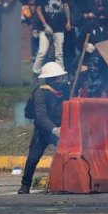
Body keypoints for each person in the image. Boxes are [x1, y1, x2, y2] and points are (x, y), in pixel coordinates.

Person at [18, 62, 69, 194]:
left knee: (66, 155)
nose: (60, 80)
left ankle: (65, 182)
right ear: (50, 79)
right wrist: (54, 129)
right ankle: (25, 185)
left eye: (60, 77)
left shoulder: (66, 90)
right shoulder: (40, 92)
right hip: (43, 130)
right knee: (33, 158)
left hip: (62, 129)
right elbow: (41, 116)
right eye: (57, 78)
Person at [32, 0, 71, 78]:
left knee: (59, 53)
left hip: (59, 26)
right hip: (45, 27)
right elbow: (38, 9)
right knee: (42, 52)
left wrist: (68, 21)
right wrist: (45, 25)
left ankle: (60, 74)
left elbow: (65, 5)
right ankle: (35, 72)